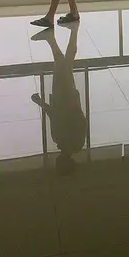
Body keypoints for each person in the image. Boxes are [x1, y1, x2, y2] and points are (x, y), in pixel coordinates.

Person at [30, 24, 87, 175]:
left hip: (64, 97)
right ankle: (53, 37)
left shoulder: (64, 141)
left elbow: (54, 116)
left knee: (64, 64)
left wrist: (41, 102)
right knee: (63, 65)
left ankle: (56, 37)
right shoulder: (71, 142)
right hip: (65, 97)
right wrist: (41, 102)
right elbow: (77, 120)